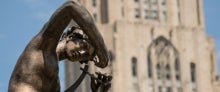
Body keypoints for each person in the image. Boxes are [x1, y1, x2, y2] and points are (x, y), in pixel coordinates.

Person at [8, 1, 109, 92]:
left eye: (86, 55)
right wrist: (101, 48)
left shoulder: (55, 81)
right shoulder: (42, 45)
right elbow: (71, 6)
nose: (81, 53)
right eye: (83, 46)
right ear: (68, 37)